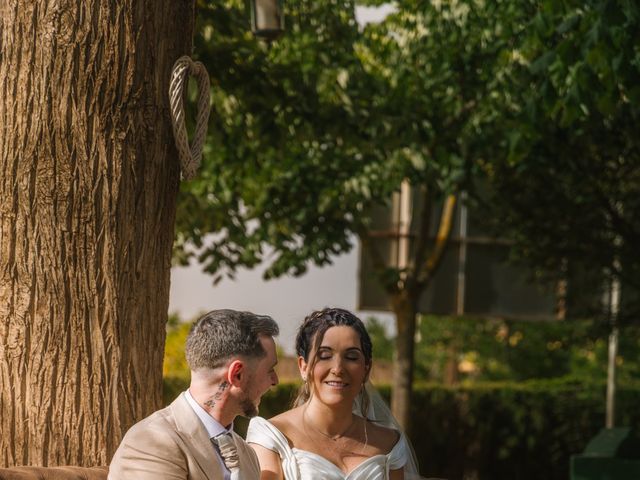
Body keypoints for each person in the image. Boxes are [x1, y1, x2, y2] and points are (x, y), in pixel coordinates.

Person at [246, 308, 420, 480]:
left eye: (351, 357)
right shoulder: (271, 436)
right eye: (324, 355)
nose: (338, 369)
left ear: (366, 370)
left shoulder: (390, 444)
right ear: (303, 367)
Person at [109, 309, 280, 480]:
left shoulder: (247, 455)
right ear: (237, 374)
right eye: (270, 369)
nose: (275, 380)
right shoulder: (150, 442)